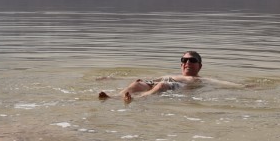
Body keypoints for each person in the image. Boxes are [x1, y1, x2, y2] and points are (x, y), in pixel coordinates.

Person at [98, 51, 240, 103]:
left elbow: (222, 82)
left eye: (192, 60)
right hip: (163, 81)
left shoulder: (201, 79)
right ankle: (115, 97)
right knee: (138, 83)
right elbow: (149, 79)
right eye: (185, 60)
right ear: (181, 65)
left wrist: (243, 87)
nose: (188, 63)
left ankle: (135, 100)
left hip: (173, 86)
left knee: (162, 85)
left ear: (200, 66)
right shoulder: (171, 75)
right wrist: (112, 79)